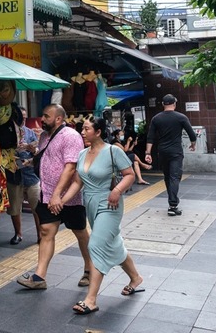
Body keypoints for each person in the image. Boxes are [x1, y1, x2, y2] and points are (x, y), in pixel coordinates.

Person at [60, 117, 144, 315]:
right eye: (82, 129)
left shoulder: (113, 151)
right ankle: (136, 278)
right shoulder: (82, 153)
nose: (82, 132)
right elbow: (77, 183)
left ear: (98, 132)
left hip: (109, 204)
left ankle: (91, 300)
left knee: (95, 245)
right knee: (113, 244)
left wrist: (117, 190)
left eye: (86, 129)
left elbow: (130, 174)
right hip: (90, 204)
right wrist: (61, 201)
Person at [16, 104, 91, 290]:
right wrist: (31, 161)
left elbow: (71, 167)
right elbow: (47, 157)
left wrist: (57, 195)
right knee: (46, 231)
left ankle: (90, 269)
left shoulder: (71, 136)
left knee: (80, 232)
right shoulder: (44, 136)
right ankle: (39, 277)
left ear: (58, 118)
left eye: (46, 116)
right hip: (47, 194)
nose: (42, 119)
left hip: (69, 197)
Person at [145, 94, 197, 216]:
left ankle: (172, 203)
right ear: (174, 103)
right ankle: (173, 205)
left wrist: (148, 153)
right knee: (175, 177)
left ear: (163, 104)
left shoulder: (156, 118)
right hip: (176, 152)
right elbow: (192, 134)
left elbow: (150, 137)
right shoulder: (181, 117)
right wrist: (193, 144)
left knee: (168, 176)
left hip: (162, 152)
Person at [6, 107, 41, 245]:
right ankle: (18, 234)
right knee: (14, 208)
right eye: (21, 117)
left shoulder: (30, 133)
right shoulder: (7, 132)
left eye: (25, 117)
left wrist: (32, 149)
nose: (23, 120)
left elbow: (38, 153)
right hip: (14, 176)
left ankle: (40, 235)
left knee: (37, 207)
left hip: (31, 176)